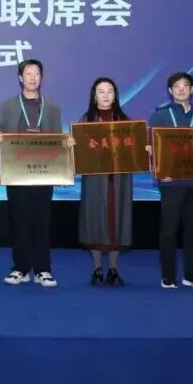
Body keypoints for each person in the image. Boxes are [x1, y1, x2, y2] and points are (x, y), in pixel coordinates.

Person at [0, 59, 63, 288]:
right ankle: (21, 268)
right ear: (20, 78)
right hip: (16, 173)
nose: (33, 78)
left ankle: (43, 269)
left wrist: (66, 147)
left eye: (37, 74)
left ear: (41, 77)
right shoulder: (7, 105)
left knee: (42, 222)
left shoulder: (52, 107)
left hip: (44, 172)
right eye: (28, 73)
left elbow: (57, 139)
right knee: (19, 221)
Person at [148, 72, 193, 290]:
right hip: (171, 182)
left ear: (192, 89)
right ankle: (168, 276)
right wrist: (160, 170)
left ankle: (191, 275)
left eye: (185, 85)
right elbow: (153, 149)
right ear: (170, 91)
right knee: (169, 230)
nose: (181, 89)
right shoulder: (159, 116)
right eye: (176, 86)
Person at [77, 78, 136, 287]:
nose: (105, 95)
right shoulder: (86, 120)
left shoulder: (124, 120)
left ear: (115, 95)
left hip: (119, 180)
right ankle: (97, 269)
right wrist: (73, 144)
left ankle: (113, 269)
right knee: (95, 220)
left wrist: (142, 148)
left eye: (110, 91)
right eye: (101, 91)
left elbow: (133, 150)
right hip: (95, 180)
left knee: (117, 221)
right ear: (94, 96)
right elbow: (80, 150)